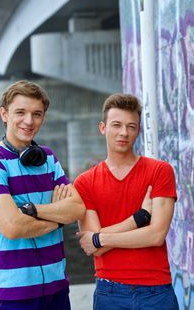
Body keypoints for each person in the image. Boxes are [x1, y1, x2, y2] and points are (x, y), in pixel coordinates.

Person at [0, 80, 85, 310]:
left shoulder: (48, 158)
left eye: (37, 114)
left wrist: (32, 211)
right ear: (4, 114)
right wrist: (58, 218)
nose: (29, 121)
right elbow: (13, 227)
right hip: (14, 295)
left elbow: (77, 209)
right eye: (20, 112)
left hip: (57, 288)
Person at [74, 93, 179, 310]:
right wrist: (139, 218)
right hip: (109, 292)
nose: (124, 132)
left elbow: (156, 235)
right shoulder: (85, 182)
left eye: (131, 126)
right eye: (117, 125)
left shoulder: (160, 171)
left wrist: (100, 238)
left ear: (138, 131)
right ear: (103, 128)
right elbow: (94, 248)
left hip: (156, 291)